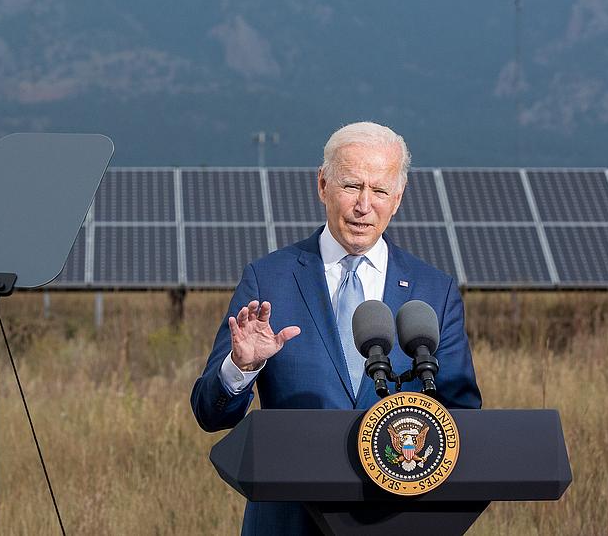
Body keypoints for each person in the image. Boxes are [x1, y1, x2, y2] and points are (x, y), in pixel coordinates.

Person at [190, 121, 481, 535]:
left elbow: (463, 417)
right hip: (288, 522)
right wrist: (240, 368)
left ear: (397, 199)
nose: (365, 205)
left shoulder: (434, 291)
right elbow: (209, 412)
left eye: (380, 191)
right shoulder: (269, 279)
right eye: (351, 186)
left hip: (397, 520)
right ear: (322, 185)